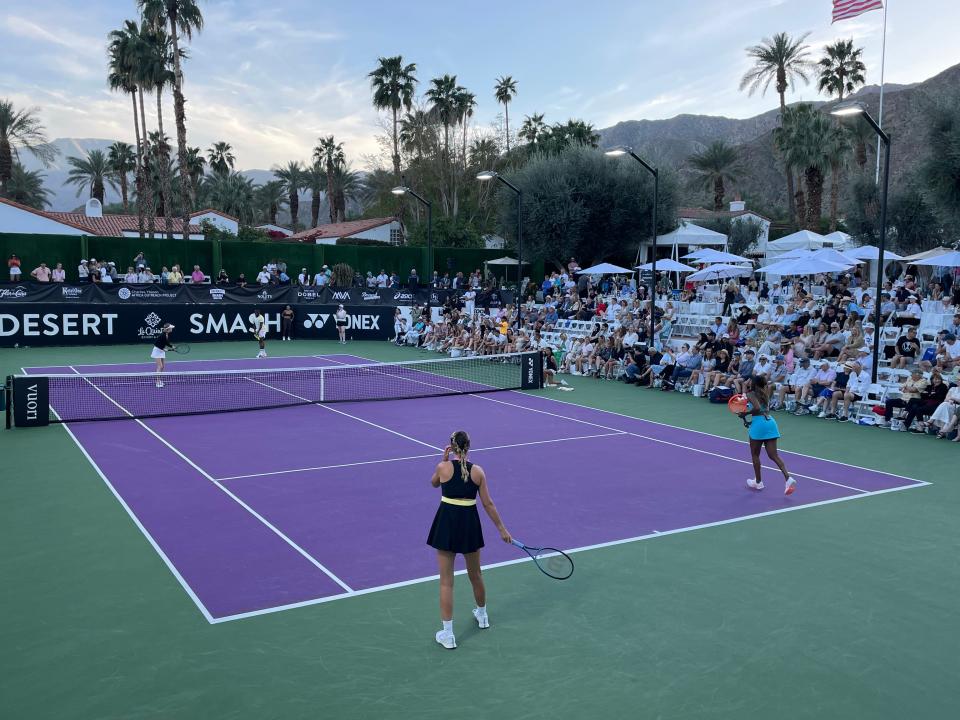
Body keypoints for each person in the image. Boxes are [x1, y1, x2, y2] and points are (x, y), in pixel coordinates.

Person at [427, 430, 511, 649]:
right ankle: (482, 616)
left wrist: (444, 460)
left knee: (446, 582)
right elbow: (488, 504)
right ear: (469, 446)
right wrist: (502, 529)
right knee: (476, 575)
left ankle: (448, 635)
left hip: (446, 524)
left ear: (451, 447)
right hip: (469, 525)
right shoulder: (478, 472)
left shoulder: (442, 467)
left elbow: (434, 483)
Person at [739, 376, 796, 495]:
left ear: (753, 383)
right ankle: (788, 478)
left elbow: (757, 408)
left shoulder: (750, 394)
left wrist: (746, 413)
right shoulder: (765, 393)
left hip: (759, 425)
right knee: (774, 455)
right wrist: (746, 417)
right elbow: (761, 409)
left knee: (755, 455)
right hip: (770, 422)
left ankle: (758, 482)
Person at [152, 323, 176, 388]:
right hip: (157, 351)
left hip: (161, 350)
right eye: (171, 328)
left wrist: (171, 346)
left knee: (163, 367)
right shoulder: (163, 335)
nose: (172, 329)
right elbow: (156, 344)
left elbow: (166, 342)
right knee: (160, 366)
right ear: (168, 329)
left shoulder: (166, 334)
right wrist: (165, 349)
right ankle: (157, 382)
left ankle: (159, 380)